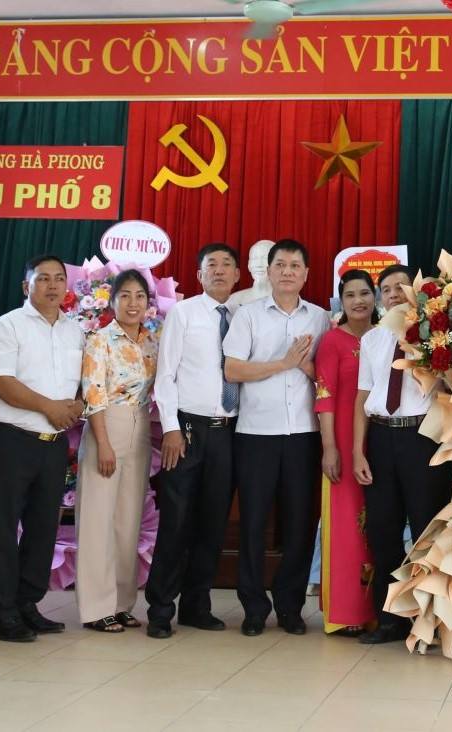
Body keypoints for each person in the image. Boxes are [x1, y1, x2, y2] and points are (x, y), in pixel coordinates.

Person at [0, 254, 86, 643]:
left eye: (59, 279)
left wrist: (75, 404)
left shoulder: (75, 331)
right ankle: (0, 610)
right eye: (43, 279)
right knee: (3, 526)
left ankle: (27, 603)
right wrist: (50, 407)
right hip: (12, 439)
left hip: (54, 444)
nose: (53, 286)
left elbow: (78, 384)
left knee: (44, 527)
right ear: (27, 286)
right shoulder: (8, 326)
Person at [224, 238, 329, 636]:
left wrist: (304, 368)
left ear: (306, 274)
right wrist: (282, 363)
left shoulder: (319, 318)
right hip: (256, 436)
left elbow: (328, 378)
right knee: (253, 523)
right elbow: (232, 370)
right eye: (280, 265)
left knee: (300, 524)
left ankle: (289, 606)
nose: (288, 272)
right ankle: (253, 607)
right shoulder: (248, 316)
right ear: (268, 272)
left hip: (303, 436)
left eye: (295, 266)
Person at [351, 264, 452, 645]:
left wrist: (425, 350)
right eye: (387, 289)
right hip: (380, 438)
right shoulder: (373, 339)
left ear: (417, 291)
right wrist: (357, 450)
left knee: (428, 531)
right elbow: (364, 396)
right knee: (383, 531)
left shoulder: (436, 334)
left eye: (401, 287)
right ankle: (391, 619)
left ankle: (430, 621)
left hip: (424, 437)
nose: (394, 293)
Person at [146, 243, 242, 639]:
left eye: (226, 265)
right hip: (186, 430)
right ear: (199, 275)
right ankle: (160, 609)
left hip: (229, 431)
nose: (218, 271)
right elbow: (165, 374)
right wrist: (169, 427)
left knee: (212, 522)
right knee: (177, 520)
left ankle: (196, 606)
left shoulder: (243, 317)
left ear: (239, 275)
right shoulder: (183, 314)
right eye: (210, 266)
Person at [76, 270, 159, 633]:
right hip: (105, 425)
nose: (133, 303)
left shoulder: (151, 342)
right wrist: (104, 443)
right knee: (98, 519)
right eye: (124, 296)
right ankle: (96, 607)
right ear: (112, 302)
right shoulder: (99, 340)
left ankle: (122, 603)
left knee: (128, 520)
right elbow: (93, 393)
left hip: (141, 426)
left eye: (139, 296)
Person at [313, 270, 380, 636]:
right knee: (347, 526)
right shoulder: (332, 342)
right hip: (341, 440)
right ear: (342, 300)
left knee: (377, 528)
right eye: (351, 294)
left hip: (380, 442)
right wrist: (330, 449)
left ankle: (376, 608)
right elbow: (324, 398)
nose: (359, 301)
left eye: (365, 293)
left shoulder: (386, 337)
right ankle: (344, 611)